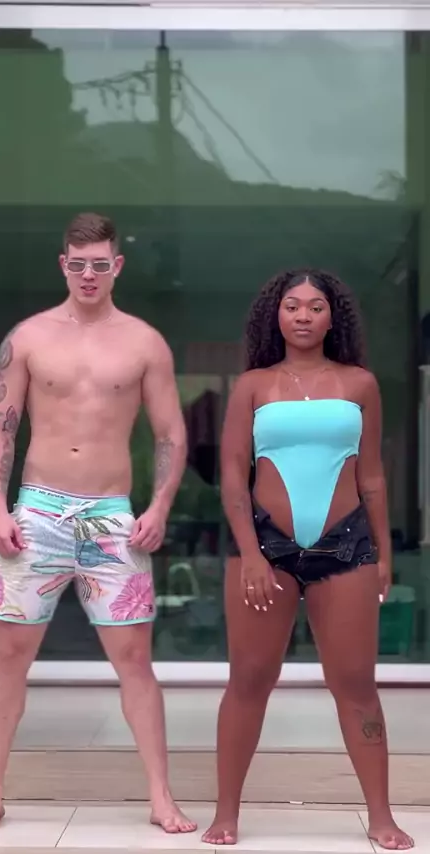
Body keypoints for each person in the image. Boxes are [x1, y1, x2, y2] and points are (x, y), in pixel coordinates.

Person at [0, 211, 196, 835]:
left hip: (109, 516)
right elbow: (0, 427)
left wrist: (158, 506)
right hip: (37, 511)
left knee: (135, 659)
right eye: (77, 264)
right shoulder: (29, 337)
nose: (88, 274)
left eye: (99, 264)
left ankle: (161, 797)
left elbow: (171, 433)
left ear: (116, 266)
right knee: (11, 656)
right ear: (62, 265)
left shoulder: (144, 342)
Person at [203, 269, 414, 850]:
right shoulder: (253, 385)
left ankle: (381, 816)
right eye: (292, 305)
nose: (302, 315)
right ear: (275, 315)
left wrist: (384, 553)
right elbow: (232, 475)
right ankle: (226, 813)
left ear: (331, 317)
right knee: (249, 680)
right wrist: (250, 553)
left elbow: (372, 476)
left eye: (315, 306)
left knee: (356, 684)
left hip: (346, 546)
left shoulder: (360, 383)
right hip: (266, 548)